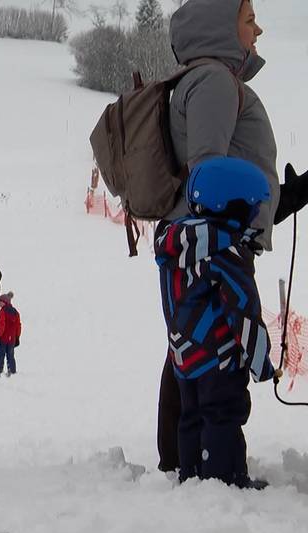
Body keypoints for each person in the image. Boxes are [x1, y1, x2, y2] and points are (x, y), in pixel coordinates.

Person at [156, 0, 308, 474]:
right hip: (215, 246)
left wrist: (281, 200)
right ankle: (197, 464)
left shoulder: (206, 81)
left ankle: (184, 457)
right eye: (248, 19)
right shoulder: (216, 82)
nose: (258, 29)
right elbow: (209, 175)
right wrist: (234, 233)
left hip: (209, 240)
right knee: (210, 359)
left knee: (188, 349)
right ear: (220, 27)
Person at [155, 156, 275, 487]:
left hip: (184, 354)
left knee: (191, 415)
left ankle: (192, 473)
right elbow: (244, 310)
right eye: (252, 208)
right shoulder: (228, 253)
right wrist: (261, 362)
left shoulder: (177, 244)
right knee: (223, 414)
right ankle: (226, 480)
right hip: (218, 356)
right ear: (232, 208)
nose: (255, 216)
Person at [0, 292, 20, 379]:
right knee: (10, 355)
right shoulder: (15, 312)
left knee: (0, 355)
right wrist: (17, 337)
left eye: (0, 302)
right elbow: (18, 325)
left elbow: (1, 325)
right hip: (12, 339)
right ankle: (12, 371)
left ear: (4, 302)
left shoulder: (2, 311)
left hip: (3, 338)